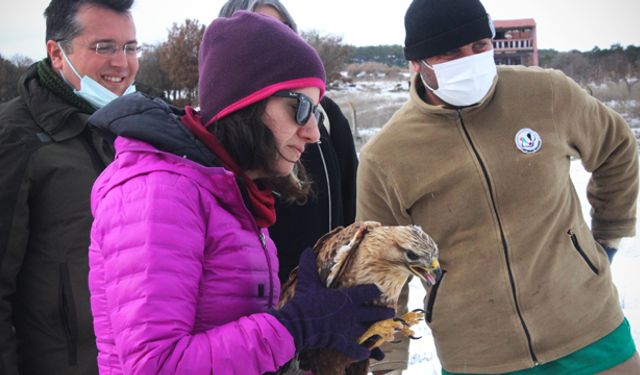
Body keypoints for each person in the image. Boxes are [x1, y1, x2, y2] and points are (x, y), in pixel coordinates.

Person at [86, 11, 392, 374]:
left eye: (317, 110)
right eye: (300, 108)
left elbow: (226, 330)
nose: (313, 132)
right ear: (245, 102)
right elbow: (156, 365)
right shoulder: (159, 194)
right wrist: (296, 326)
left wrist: (313, 338)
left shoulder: (228, 191)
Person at [356, 0, 640, 374]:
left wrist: (606, 239)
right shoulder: (385, 157)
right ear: (416, 64)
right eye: (450, 53)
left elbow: (617, 149)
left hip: (591, 331)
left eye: (479, 46)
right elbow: (381, 269)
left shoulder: (547, 93)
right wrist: (386, 364)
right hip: (479, 357)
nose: (470, 59)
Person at [0, 0, 139, 374]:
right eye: (103, 47)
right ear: (57, 54)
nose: (121, 63)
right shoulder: (15, 138)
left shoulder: (134, 129)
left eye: (130, 47)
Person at [218, 0, 359, 285]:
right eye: (258, 33)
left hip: (324, 296)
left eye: (280, 31)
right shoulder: (212, 140)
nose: (310, 132)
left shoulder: (327, 117)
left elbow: (349, 198)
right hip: (265, 310)